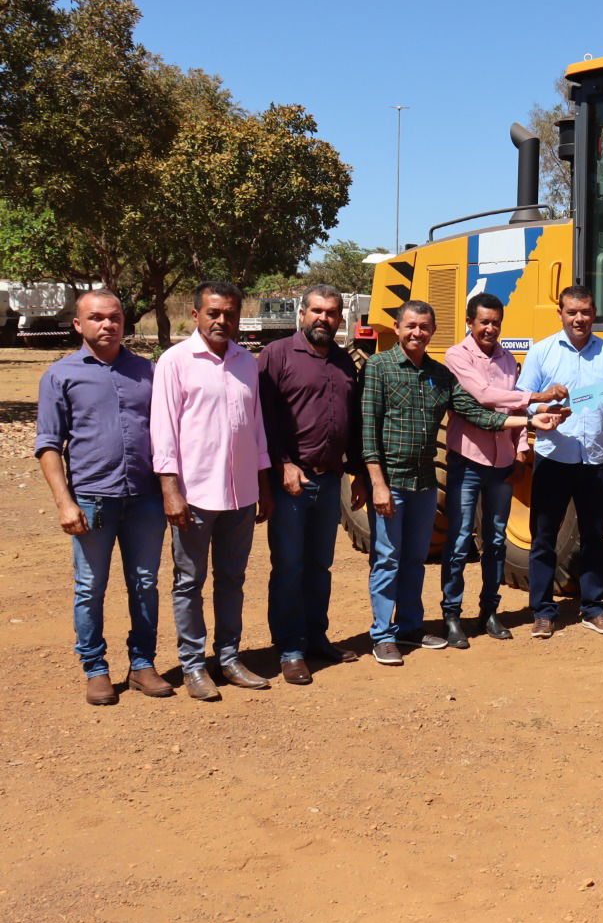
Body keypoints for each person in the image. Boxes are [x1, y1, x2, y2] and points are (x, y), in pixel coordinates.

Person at [361, 300, 552, 667]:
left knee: (417, 558)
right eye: (411, 326)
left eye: (424, 327)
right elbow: (369, 429)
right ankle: (387, 634)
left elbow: (476, 412)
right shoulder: (379, 367)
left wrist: (527, 427)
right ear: (398, 328)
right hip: (407, 475)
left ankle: (412, 626)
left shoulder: (439, 374)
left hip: (425, 478)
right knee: (392, 557)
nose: (417, 333)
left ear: (432, 330)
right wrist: (376, 482)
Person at [35, 290, 173, 705]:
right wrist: (64, 501)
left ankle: (143, 665)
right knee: (90, 587)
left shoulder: (148, 372)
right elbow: (47, 444)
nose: (107, 324)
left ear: (124, 322)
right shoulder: (60, 375)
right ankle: (95, 668)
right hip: (92, 500)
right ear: (79, 324)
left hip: (145, 498)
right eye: (96, 317)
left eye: (114, 317)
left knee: (145, 584)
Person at [151, 281, 275, 701]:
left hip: (240, 493)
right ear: (196, 313)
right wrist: (170, 490)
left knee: (232, 579)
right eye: (214, 313)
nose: (222, 321)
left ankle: (228, 657)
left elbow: (255, 426)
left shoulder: (246, 362)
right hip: (194, 495)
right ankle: (192, 665)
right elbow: (163, 431)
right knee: (189, 581)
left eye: (230, 314)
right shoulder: (175, 362)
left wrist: (262, 483)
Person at [514, 285, 603, 640]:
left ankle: (594, 608)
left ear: (594, 313)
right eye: (572, 312)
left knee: (594, 537)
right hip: (554, 458)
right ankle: (542, 611)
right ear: (561, 314)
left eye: (585, 311)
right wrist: (545, 409)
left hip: (596, 459)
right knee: (544, 537)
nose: (579, 318)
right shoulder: (542, 352)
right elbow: (525, 400)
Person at [257, 284, 364, 686]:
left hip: (330, 479)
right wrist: (282, 465)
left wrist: (356, 471)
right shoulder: (278, 355)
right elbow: (263, 419)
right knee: (288, 567)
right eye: (316, 311)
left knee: (320, 566)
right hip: (291, 482)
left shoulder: (343, 361)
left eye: (331, 312)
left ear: (340, 319)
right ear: (302, 314)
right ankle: (290, 649)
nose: (324, 318)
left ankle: (316, 637)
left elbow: (350, 422)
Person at [441, 292, 551, 648]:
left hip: (503, 463)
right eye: (484, 322)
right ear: (470, 323)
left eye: (495, 322)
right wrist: (535, 400)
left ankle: (489, 611)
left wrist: (520, 450)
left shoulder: (508, 359)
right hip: (467, 461)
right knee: (459, 542)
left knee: (497, 541)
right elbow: (485, 396)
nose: (490, 328)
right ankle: (452, 615)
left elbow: (511, 414)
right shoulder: (456, 356)